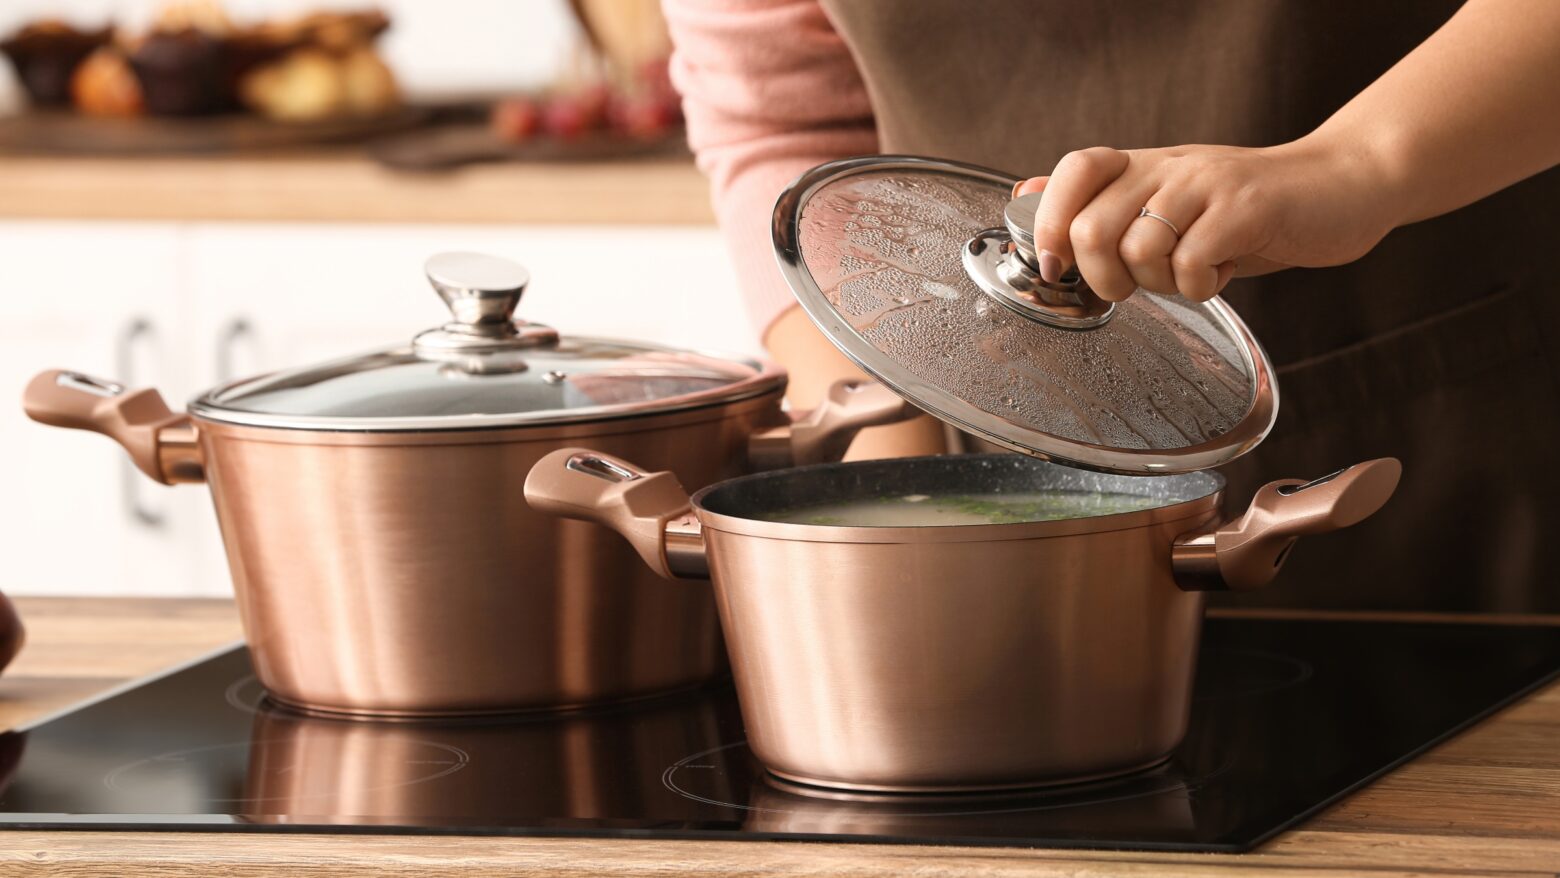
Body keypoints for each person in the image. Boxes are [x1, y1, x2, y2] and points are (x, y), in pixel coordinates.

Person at [663, 0, 1560, 612]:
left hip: (1469, 418)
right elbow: (785, 122)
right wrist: (896, 494)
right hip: (998, 459)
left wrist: (1357, 164)